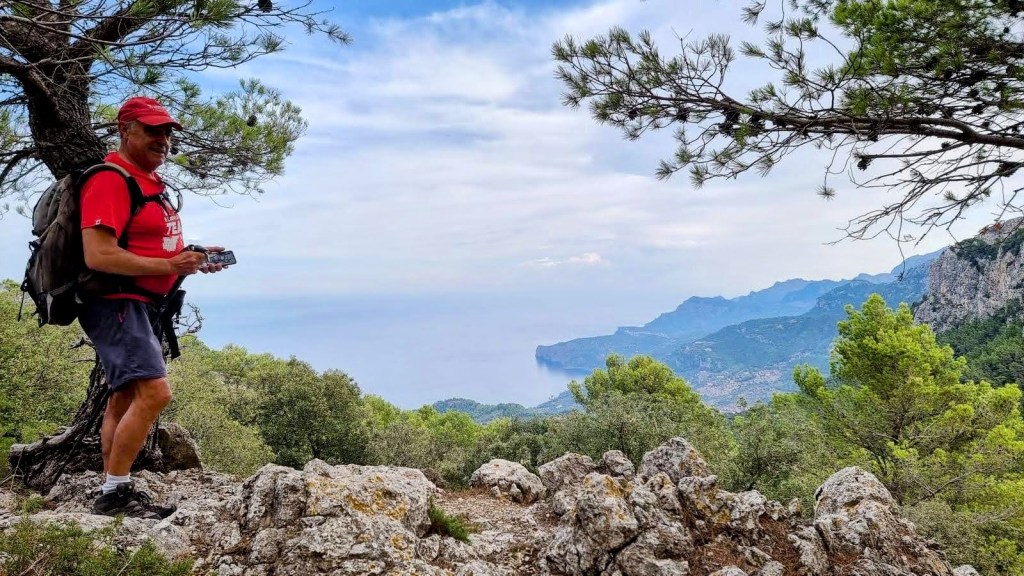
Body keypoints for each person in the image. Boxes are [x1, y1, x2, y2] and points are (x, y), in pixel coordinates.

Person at [78, 96, 226, 518]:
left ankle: (113, 486)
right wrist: (168, 264)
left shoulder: (148, 183)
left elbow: (150, 243)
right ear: (125, 130)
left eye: (166, 132)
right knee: (156, 393)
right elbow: (98, 255)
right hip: (117, 301)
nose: (162, 139)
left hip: (144, 302)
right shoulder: (111, 179)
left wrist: (190, 258)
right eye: (151, 130)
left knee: (123, 399)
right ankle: (114, 495)